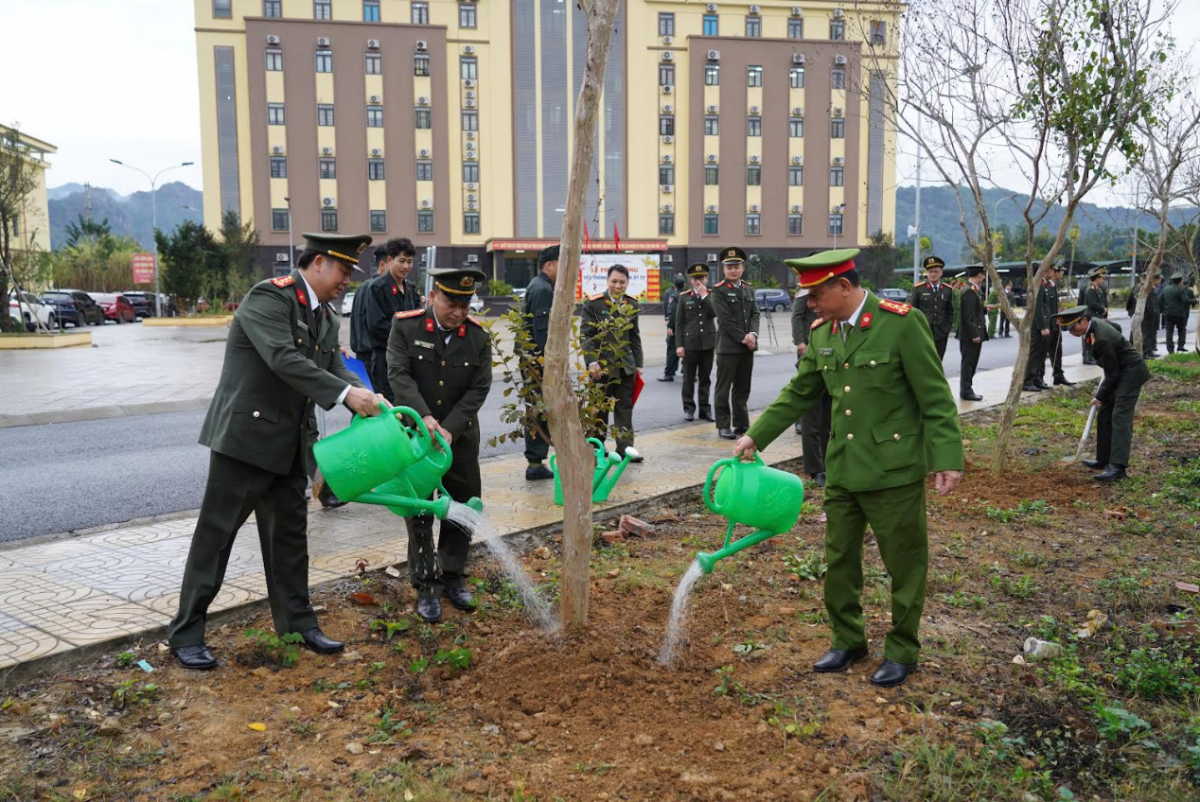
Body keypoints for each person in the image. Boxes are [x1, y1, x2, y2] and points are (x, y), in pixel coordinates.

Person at [733, 248, 963, 688]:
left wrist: (947, 459)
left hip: (894, 469)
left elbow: (934, 397)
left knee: (905, 563)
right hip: (843, 468)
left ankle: (901, 650)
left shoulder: (901, 323)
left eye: (816, 295)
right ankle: (848, 640)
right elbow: (799, 392)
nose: (809, 305)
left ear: (844, 286)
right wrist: (755, 435)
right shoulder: (823, 334)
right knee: (839, 560)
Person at [167, 233, 386, 670]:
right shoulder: (269, 298)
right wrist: (345, 396)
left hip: (289, 445)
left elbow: (334, 366)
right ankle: (186, 634)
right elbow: (284, 358)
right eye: (344, 271)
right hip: (245, 444)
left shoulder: (323, 314)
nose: (347, 280)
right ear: (319, 262)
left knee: (289, 540)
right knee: (216, 539)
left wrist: (374, 397)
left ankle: (297, 624)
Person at [387, 267, 493, 622]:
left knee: (461, 508)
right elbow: (398, 375)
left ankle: (453, 577)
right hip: (415, 439)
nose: (459, 311)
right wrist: (424, 418)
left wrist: (449, 427)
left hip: (459, 439)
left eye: (466, 304)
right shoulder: (406, 326)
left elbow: (479, 388)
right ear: (433, 296)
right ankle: (426, 585)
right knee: (419, 511)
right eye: (452, 302)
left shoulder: (478, 337)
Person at [1054, 305, 1149, 482]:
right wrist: (1102, 398)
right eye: (1068, 329)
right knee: (1105, 411)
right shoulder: (1094, 327)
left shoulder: (1101, 339)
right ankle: (1103, 459)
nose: (1071, 332)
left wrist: (1099, 396)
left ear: (1083, 320)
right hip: (1120, 371)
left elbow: (1112, 374)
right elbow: (1117, 329)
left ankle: (1118, 467)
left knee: (1120, 415)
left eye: (1073, 327)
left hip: (1131, 372)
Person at [582, 264, 644, 460]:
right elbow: (586, 336)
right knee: (598, 409)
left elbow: (634, 336)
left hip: (625, 366)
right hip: (601, 367)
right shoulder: (594, 304)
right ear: (607, 281)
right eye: (614, 281)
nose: (618, 286)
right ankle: (596, 448)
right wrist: (592, 362)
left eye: (622, 282)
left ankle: (625, 450)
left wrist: (638, 363)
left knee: (624, 409)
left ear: (627, 283)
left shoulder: (632, 304)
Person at [365, 237, 423, 400]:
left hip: (410, 361)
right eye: (402, 261)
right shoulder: (377, 288)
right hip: (386, 361)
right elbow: (376, 326)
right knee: (390, 409)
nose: (406, 267)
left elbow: (419, 320)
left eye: (410, 262)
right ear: (390, 260)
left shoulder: (411, 289)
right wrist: (405, 335)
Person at [712, 247, 760, 439]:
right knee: (723, 389)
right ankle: (723, 425)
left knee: (742, 388)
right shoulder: (718, 291)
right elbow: (725, 320)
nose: (733, 270)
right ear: (724, 269)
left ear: (742, 268)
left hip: (747, 348)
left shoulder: (748, 289)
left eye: (736, 266)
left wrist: (754, 334)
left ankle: (741, 424)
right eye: (729, 267)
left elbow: (755, 314)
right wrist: (744, 337)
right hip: (728, 348)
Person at [521, 245, 559, 480]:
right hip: (537, 362)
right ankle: (534, 464)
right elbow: (542, 333)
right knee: (538, 410)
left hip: (533, 360)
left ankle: (536, 462)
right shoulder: (543, 288)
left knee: (537, 409)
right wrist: (549, 365)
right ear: (549, 265)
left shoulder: (540, 285)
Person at [790, 285, 831, 487]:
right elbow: (797, 316)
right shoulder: (804, 291)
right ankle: (815, 467)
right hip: (810, 351)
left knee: (828, 418)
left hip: (831, 358)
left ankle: (828, 462)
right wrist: (800, 341)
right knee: (812, 417)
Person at [675, 263, 716, 422]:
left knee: (705, 379)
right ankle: (689, 409)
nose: (698, 281)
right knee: (688, 379)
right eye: (695, 278)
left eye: (701, 278)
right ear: (690, 280)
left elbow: (714, 313)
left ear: (706, 279)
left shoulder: (712, 295)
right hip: (690, 344)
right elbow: (679, 323)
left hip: (708, 343)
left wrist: (704, 295)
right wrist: (679, 345)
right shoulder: (684, 297)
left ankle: (705, 410)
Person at [907, 256, 955, 360]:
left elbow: (949, 311)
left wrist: (946, 328)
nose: (933, 274)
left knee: (938, 359)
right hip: (923, 331)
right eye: (930, 271)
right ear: (926, 273)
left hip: (941, 332)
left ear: (941, 273)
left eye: (936, 271)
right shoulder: (919, 289)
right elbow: (911, 311)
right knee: (924, 360)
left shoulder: (947, 290)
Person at [957, 265, 988, 401]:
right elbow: (968, 316)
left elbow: (975, 311)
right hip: (970, 336)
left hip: (972, 334)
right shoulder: (969, 291)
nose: (983, 277)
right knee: (968, 364)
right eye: (983, 274)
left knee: (971, 363)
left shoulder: (973, 290)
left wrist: (986, 309)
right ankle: (966, 391)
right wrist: (975, 334)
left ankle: (967, 389)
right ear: (979, 275)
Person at [1043, 265, 1074, 386]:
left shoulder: (1053, 285)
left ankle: (1058, 375)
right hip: (1049, 324)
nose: (1062, 274)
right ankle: (1039, 378)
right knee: (1044, 352)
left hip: (1055, 324)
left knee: (1057, 351)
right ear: (1055, 272)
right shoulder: (1045, 285)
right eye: (1061, 271)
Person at [1022, 277, 1053, 393]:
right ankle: (1027, 381)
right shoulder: (1037, 286)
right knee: (1034, 354)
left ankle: (1035, 379)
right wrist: (1042, 326)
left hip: (1041, 326)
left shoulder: (1042, 285)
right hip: (1036, 327)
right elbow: (1038, 308)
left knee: (1040, 354)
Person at [659, 275, 685, 382]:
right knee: (686, 349)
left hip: (675, 327)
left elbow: (670, 311)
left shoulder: (672, 296)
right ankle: (687, 371)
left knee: (671, 349)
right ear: (684, 284)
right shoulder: (687, 295)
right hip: (686, 328)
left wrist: (669, 326)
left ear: (674, 285)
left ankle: (669, 373)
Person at [1081, 267, 1108, 365]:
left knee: (1094, 338)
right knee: (1089, 338)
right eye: (1101, 278)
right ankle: (1088, 357)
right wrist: (1103, 310)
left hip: (1096, 317)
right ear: (1097, 279)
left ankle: (1092, 356)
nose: (1103, 280)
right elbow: (1093, 304)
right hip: (1090, 317)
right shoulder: (1090, 290)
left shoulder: (1097, 289)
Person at [1161, 270, 1191, 354]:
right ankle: (1180, 346)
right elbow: (1186, 300)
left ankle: (1170, 350)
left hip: (1168, 314)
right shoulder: (1181, 289)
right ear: (1181, 280)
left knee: (1169, 332)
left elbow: (1159, 300)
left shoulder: (1165, 289)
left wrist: (1162, 310)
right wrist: (1196, 300)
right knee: (1181, 329)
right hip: (1179, 314)